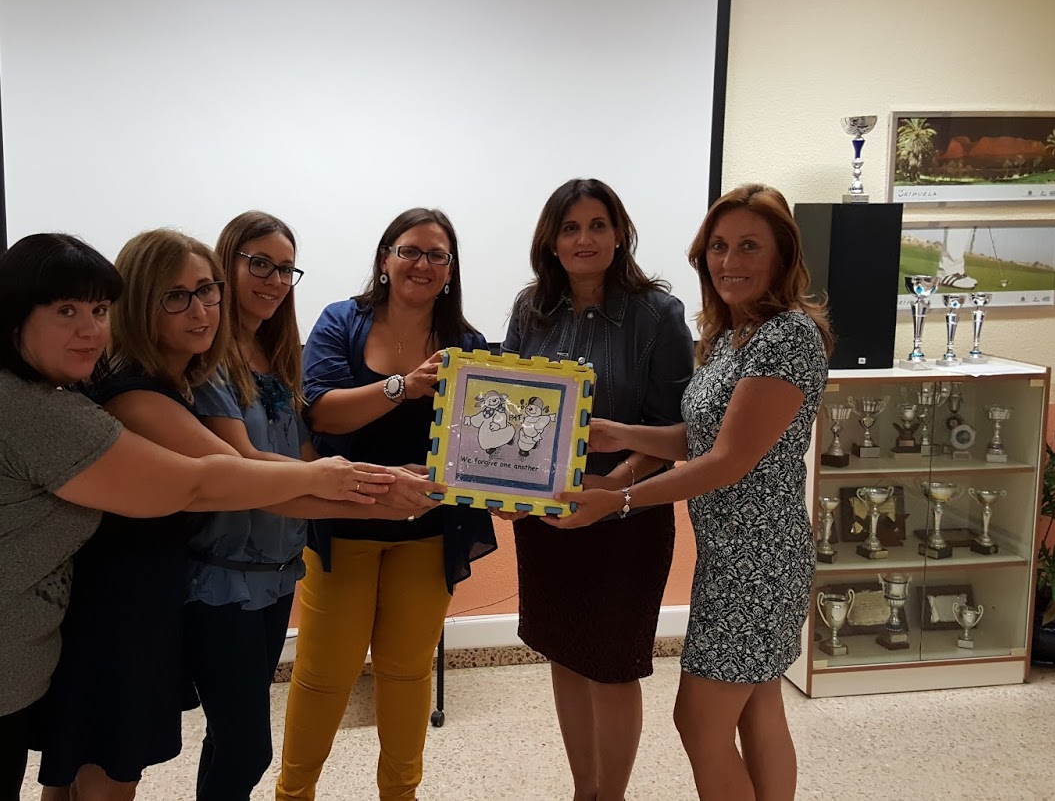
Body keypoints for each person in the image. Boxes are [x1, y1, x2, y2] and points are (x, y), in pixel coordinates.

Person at [0, 233, 397, 801]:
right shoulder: (37, 410)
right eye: (66, 311)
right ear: (12, 315)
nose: (90, 329)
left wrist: (358, 487)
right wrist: (332, 479)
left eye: (98, 310)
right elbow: (197, 483)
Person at [36, 229, 439, 801]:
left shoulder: (186, 377)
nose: (200, 310)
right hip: (125, 600)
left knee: (101, 766)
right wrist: (371, 488)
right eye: (177, 296)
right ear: (141, 302)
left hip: (187, 582)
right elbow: (236, 477)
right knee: (115, 768)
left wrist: (374, 488)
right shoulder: (141, 393)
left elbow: (279, 471)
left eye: (206, 292)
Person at [562, 184, 830, 801]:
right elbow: (707, 434)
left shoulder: (786, 338)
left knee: (699, 722)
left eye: (749, 246)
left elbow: (727, 461)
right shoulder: (735, 335)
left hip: (758, 563)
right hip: (731, 556)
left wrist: (619, 500)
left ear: (783, 255)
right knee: (759, 707)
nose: (729, 261)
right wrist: (620, 432)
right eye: (718, 246)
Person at [277, 208, 496, 801]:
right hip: (344, 524)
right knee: (323, 676)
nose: (423, 264)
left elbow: (480, 446)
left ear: (450, 270)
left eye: (437, 255)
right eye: (410, 251)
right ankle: (293, 794)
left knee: (407, 673)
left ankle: (402, 795)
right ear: (384, 259)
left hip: (427, 532)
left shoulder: (468, 345)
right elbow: (322, 414)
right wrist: (405, 386)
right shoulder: (340, 320)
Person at [499, 178, 693, 801]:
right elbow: (506, 410)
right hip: (549, 520)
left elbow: (676, 431)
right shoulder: (530, 309)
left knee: (611, 668)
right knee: (565, 653)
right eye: (570, 228)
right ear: (551, 241)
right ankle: (584, 789)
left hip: (626, 519)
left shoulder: (658, 315)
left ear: (619, 234)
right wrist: (504, 486)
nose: (584, 239)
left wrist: (613, 486)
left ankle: (612, 795)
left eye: (597, 225)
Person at [185, 212, 327, 800]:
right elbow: (243, 462)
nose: (274, 281)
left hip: (278, 571)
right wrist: (354, 485)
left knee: (228, 739)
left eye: (286, 270)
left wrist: (379, 484)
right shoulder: (206, 358)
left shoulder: (280, 354)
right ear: (227, 264)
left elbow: (304, 452)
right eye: (260, 264)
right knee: (249, 748)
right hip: (221, 580)